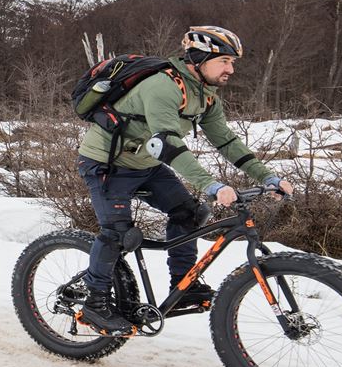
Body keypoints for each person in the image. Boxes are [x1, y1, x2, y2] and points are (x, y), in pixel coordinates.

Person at [75, 26, 294, 335]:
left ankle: (183, 286)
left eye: (232, 62)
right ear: (199, 58)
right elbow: (164, 143)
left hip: (146, 166)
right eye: (224, 61)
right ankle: (95, 304)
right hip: (107, 164)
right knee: (117, 234)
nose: (231, 69)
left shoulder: (205, 96)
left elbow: (226, 141)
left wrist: (267, 176)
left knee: (188, 213)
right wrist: (211, 185)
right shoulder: (162, 86)